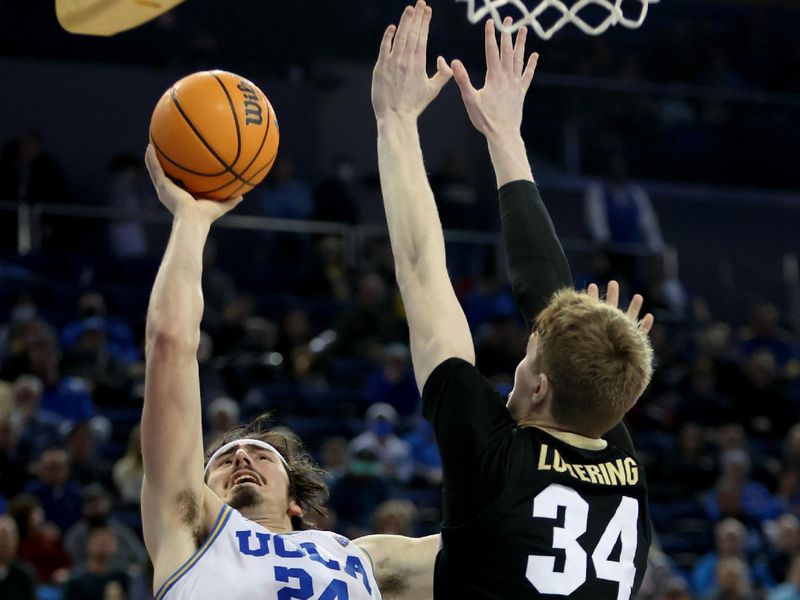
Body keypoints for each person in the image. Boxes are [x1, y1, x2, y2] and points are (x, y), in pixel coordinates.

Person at [372, 2, 654, 598]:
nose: (518, 362)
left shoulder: (493, 461)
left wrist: (395, 118)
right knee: (388, 562)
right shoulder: (618, 460)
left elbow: (424, 273)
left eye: (528, 355)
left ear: (542, 386)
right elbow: (548, 295)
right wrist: (505, 135)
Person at [139, 143, 438, 600]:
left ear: (295, 502)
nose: (240, 458)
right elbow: (170, 346)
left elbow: (500, 549)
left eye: (260, 457)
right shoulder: (187, 531)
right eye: (221, 461)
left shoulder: (364, 558)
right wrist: (191, 221)